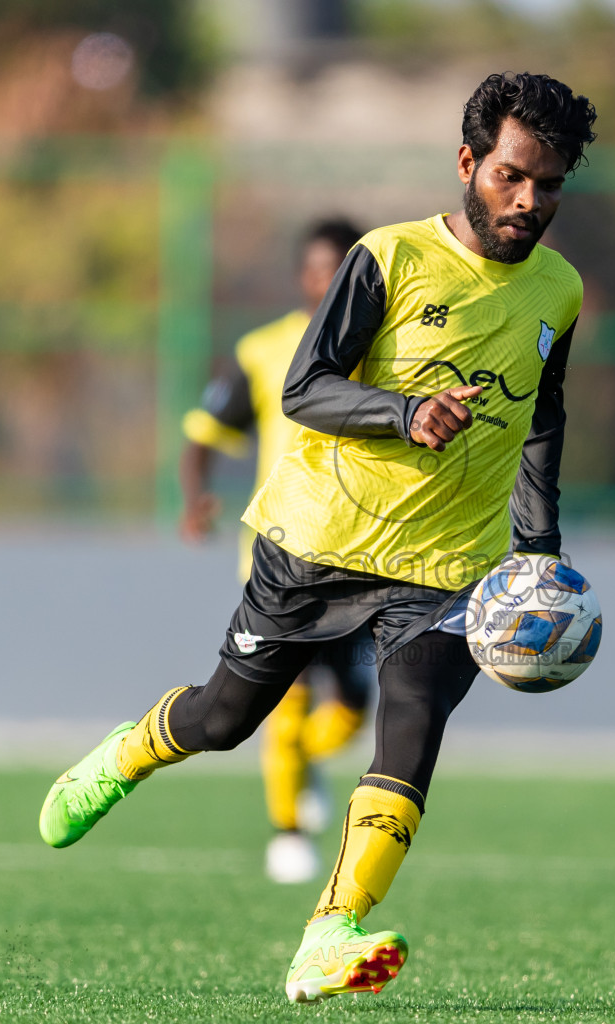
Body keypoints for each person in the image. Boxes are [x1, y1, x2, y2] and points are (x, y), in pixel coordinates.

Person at [38, 71, 596, 1002]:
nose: (529, 201)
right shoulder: (389, 259)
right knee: (224, 720)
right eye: (512, 177)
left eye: (549, 184)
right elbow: (305, 389)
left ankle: (330, 931)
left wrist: (537, 549)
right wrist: (404, 411)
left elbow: (542, 414)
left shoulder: (560, 290)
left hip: (450, 565)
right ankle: (129, 750)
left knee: (414, 722)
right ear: (468, 163)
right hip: (319, 539)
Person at [177, 217, 376, 886]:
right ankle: (287, 831)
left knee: (351, 710)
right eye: (320, 269)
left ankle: (304, 759)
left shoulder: (389, 346)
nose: (330, 281)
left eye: (343, 268)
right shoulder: (263, 350)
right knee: (281, 701)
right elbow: (203, 432)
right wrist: (194, 496)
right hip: (278, 558)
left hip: (359, 559)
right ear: (304, 275)